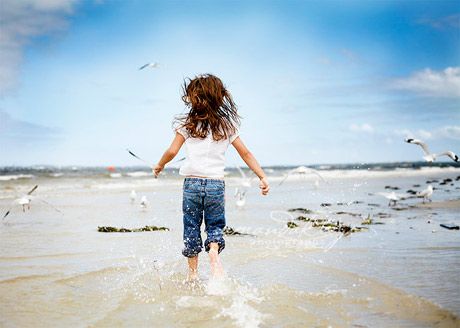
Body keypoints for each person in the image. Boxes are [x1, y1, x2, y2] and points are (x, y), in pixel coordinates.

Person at [153, 74, 269, 279]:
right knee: (215, 224)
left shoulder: (187, 125)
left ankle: (193, 274)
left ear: (194, 98)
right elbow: (246, 153)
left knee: (191, 225)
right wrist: (261, 176)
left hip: (192, 184)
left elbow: (171, 152)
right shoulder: (226, 126)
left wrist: (160, 165)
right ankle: (214, 252)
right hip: (216, 184)